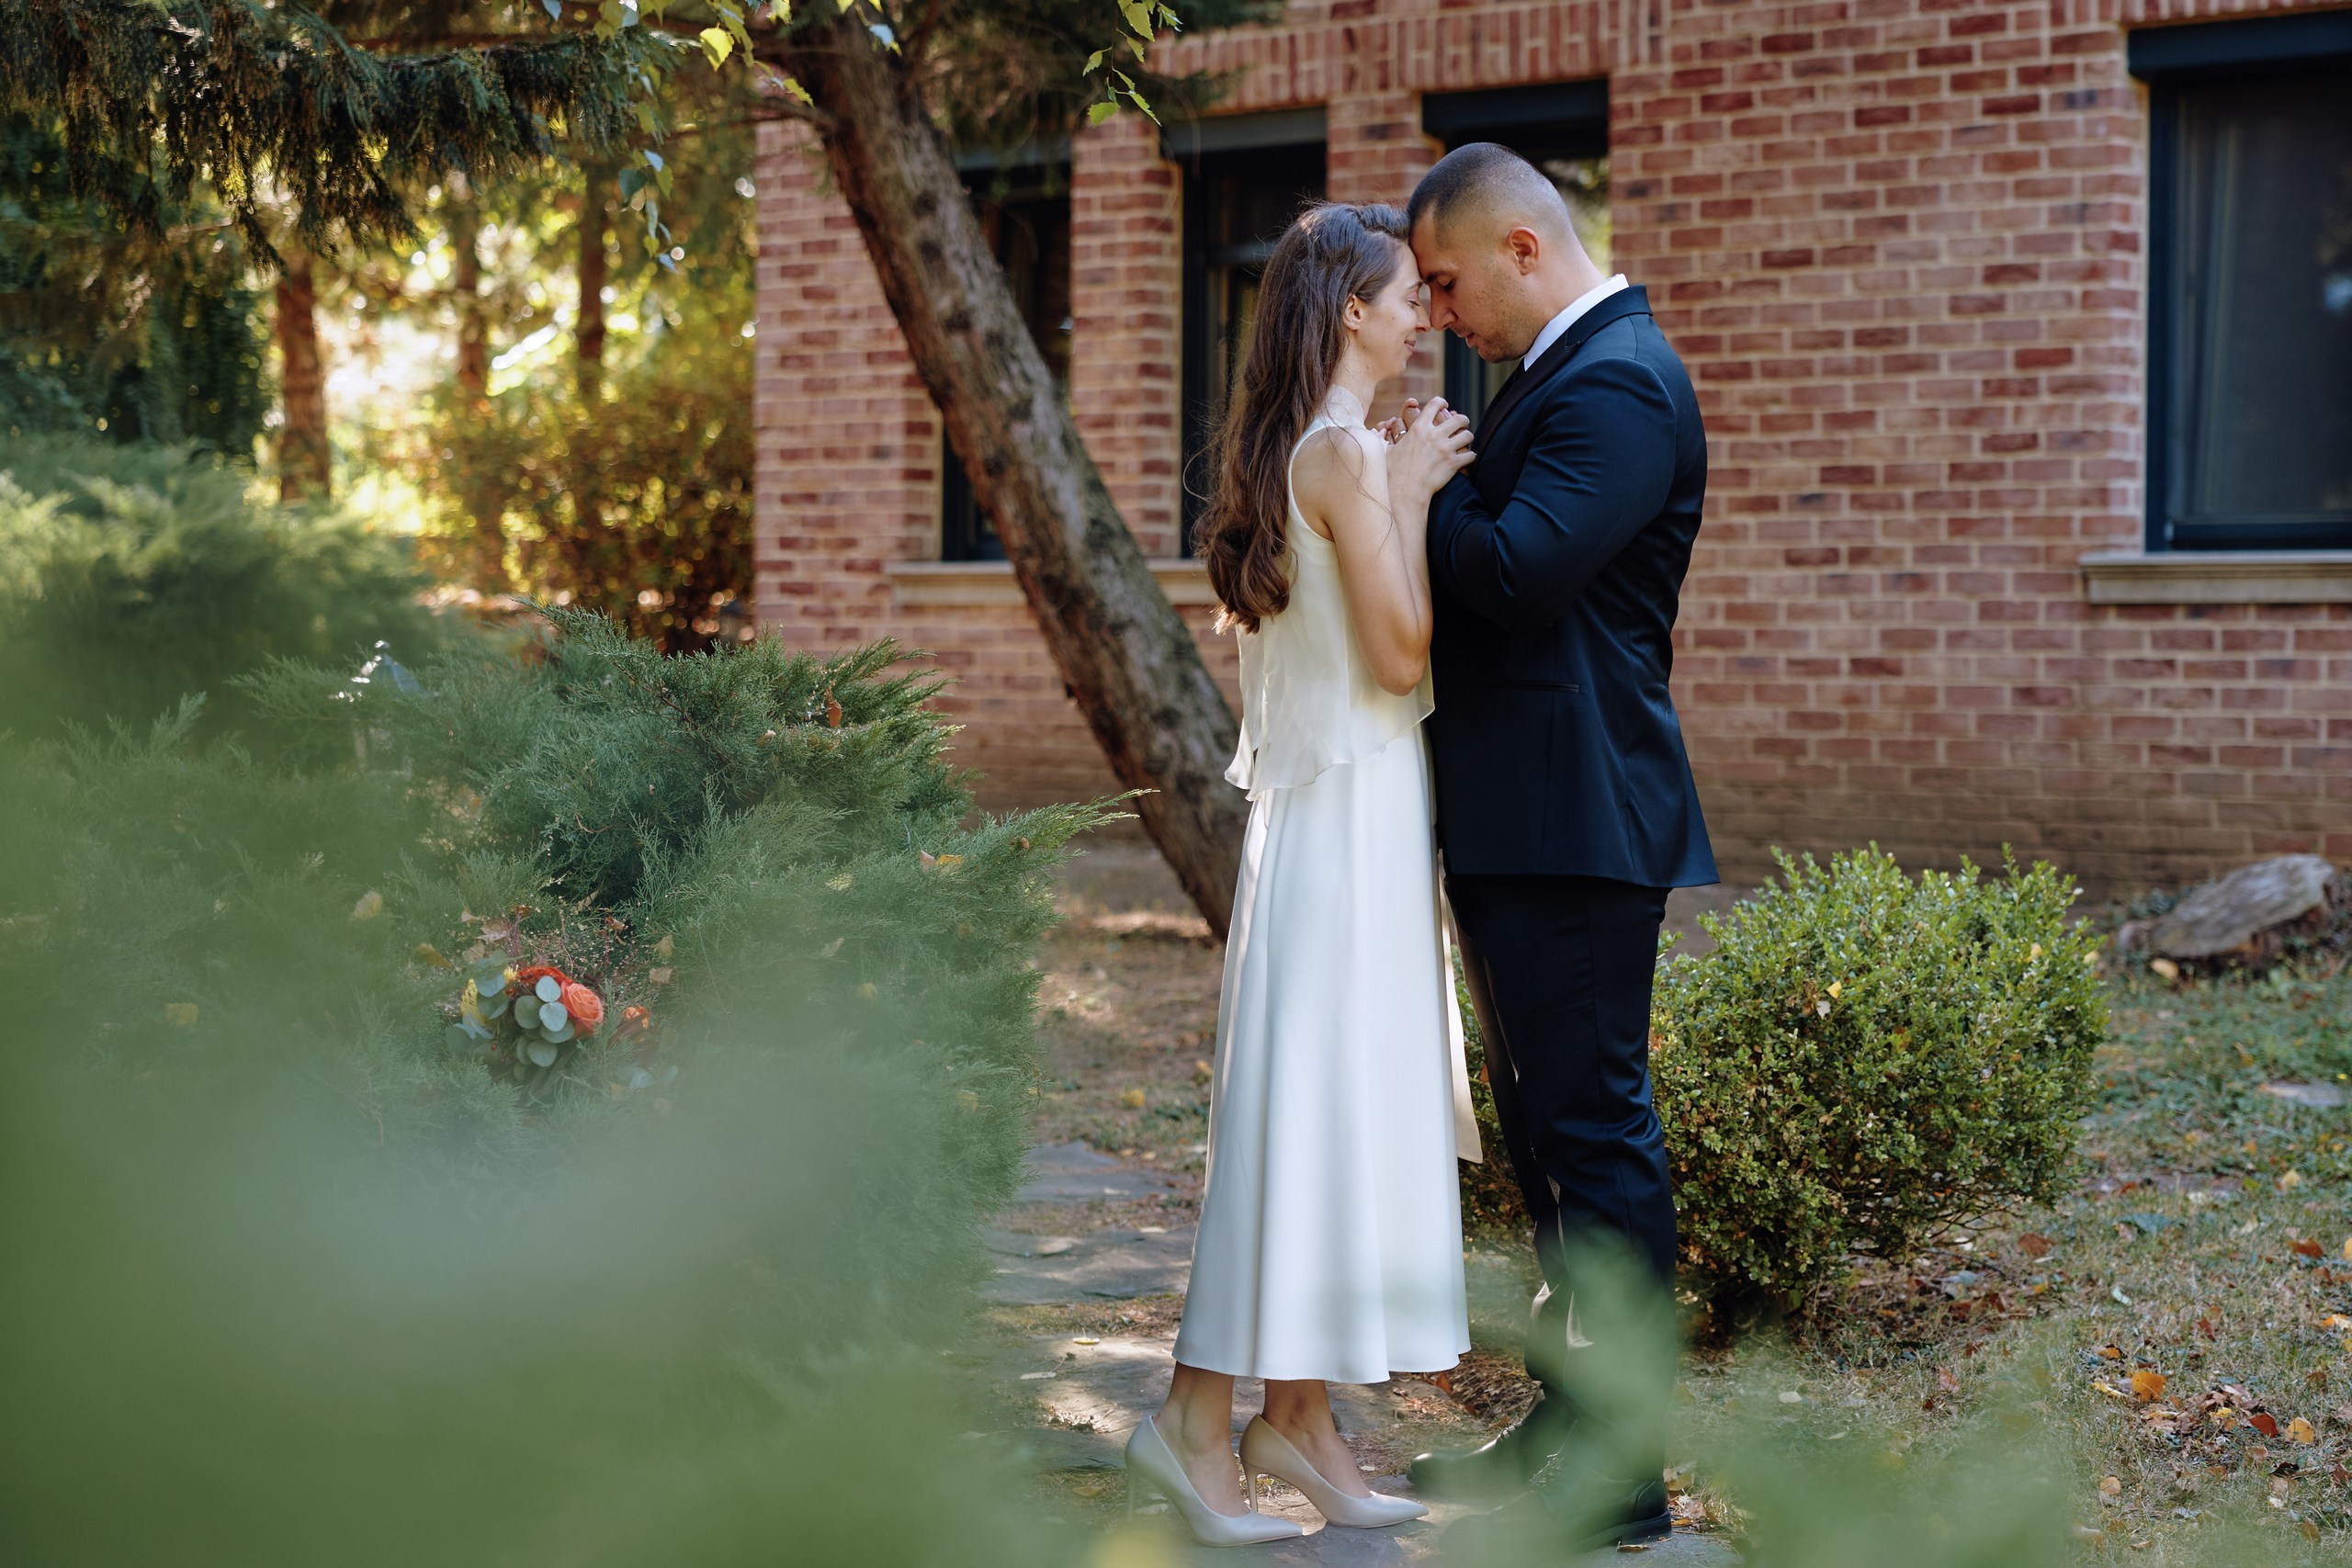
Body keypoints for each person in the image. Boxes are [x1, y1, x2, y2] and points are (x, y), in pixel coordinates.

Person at [1120, 201, 1481, 1547]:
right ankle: (1196, 1426)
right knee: (1300, 1124)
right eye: (1405, 295)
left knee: (1325, 1122)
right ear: (1349, 313)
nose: (1425, 313)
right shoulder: (1341, 458)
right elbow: (1399, 658)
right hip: (1343, 828)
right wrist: (1415, 487)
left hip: (1342, 819)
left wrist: (1393, 486)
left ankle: (1302, 1420)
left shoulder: (1312, 450)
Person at [1400, 142, 1718, 1552]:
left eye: (1450, 283)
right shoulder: (1547, 376)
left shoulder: (1624, 384)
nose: (1443, 313)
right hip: (1518, 811)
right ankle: (1567, 1410)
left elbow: (1520, 571)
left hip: (1579, 817)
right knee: (1542, 1137)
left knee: (1596, 1134)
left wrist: (1424, 491)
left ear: (1525, 248)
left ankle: (1627, 1471)